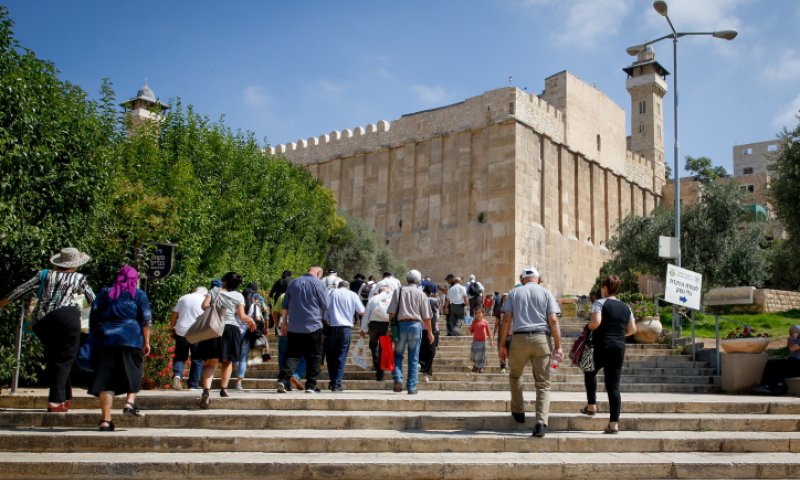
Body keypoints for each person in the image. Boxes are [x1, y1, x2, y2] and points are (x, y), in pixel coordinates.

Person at [0, 247, 96, 412]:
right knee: (65, 359)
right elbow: (92, 299)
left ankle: (64, 397)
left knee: (56, 358)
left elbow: (21, 290)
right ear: (76, 264)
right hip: (68, 318)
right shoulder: (79, 278)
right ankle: (54, 401)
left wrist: (2, 303)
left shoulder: (44, 274)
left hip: (44, 321)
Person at [498, 266, 562, 438]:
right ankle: (541, 422)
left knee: (515, 375)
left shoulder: (513, 293)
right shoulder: (546, 293)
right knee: (543, 383)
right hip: (542, 340)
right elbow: (554, 320)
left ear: (522, 279)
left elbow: (506, 320)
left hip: (519, 339)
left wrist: (502, 345)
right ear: (538, 278)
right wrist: (558, 345)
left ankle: (518, 411)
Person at [88, 265, 151, 431]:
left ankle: (105, 420)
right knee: (135, 371)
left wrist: (95, 335)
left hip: (106, 338)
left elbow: (94, 315)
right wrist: (146, 342)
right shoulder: (138, 295)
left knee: (105, 381)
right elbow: (146, 320)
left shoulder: (104, 293)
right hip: (131, 338)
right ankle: (129, 402)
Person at [579, 274, 636, 434]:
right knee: (613, 386)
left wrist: (588, 327)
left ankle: (591, 405)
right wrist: (618, 335)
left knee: (589, 370)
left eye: (601, 287)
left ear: (605, 288)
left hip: (602, 345)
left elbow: (595, 323)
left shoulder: (599, 303)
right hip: (619, 347)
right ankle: (614, 424)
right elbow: (632, 330)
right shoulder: (627, 307)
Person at [195, 272, 256, 409]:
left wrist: (216, 309)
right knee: (227, 361)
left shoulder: (214, 291)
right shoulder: (239, 296)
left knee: (211, 362)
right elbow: (241, 316)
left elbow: (204, 306)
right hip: (231, 328)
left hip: (215, 328)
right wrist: (251, 321)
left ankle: (206, 391)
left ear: (224, 281)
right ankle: (224, 389)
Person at [277, 265, 328, 393]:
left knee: (292, 355)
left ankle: (283, 380)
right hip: (313, 326)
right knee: (314, 356)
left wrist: (283, 323)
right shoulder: (319, 284)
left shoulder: (293, 283)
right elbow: (325, 305)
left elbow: (285, 305)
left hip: (294, 326)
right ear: (318, 273)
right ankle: (310, 385)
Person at [388, 269, 434, 394]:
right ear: (418, 281)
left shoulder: (399, 291)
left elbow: (391, 313)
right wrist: (430, 333)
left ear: (407, 279)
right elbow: (427, 318)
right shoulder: (421, 294)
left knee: (397, 354)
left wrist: (390, 328)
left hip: (400, 326)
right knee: (413, 358)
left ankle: (397, 378)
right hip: (415, 326)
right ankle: (411, 387)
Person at [325, 280, 365, 391]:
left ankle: (333, 381)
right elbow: (362, 311)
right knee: (341, 356)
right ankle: (337, 384)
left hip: (332, 328)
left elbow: (325, 307)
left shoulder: (331, 293)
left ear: (339, 286)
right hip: (345, 329)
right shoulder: (353, 294)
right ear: (348, 287)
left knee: (330, 356)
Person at [169, 286, 208, 390]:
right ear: (205, 293)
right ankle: (193, 385)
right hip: (197, 331)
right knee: (197, 359)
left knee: (180, 356)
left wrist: (172, 327)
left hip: (181, 330)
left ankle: (177, 375)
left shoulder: (183, 297)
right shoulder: (205, 299)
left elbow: (174, 314)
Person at [754, 325, 800, 395]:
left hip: (797, 364)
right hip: (795, 363)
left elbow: (792, 348)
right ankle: (778, 386)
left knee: (772, 364)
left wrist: (792, 337)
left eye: (791, 332)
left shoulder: (795, 338)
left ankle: (770, 386)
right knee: (777, 366)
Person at [360, 285, 392, 381]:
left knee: (374, 346)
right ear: (388, 291)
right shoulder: (390, 300)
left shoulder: (373, 299)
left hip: (373, 325)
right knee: (383, 348)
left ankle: (376, 365)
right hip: (386, 325)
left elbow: (366, 315)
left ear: (379, 291)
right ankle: (380, 373)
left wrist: (363, 329)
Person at [234, 290, 265, 390]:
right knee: (243, 358)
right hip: (247, 333)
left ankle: (235, 369)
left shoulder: (237, 305)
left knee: (234, 356)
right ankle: (239, 382)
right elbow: (257, 318)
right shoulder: (254, 306)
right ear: (252, 297)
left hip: (235, 332)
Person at [275, 291, 306, 391]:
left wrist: (276, 326)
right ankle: (296, 375)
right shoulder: (303, 295)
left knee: (283, 356)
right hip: (297, 328)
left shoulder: (283, 295)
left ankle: (284, 381)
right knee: (302, 354)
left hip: (283, 327)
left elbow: (275, 312)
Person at [419, 285, 440, 382]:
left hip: (422, 327)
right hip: (434, 328)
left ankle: (422, 366)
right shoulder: (435, 300)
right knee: (432, 350)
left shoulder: (420, 299)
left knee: (422, 349)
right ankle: (426, 372)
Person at [493, 292, 510, 372]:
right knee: (500, 350)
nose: (505, 299)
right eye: (504, 298)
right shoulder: (499, 310)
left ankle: (511, 366)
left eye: (506, 298)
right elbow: (497, 322)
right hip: (501, 333)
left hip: (510, 334)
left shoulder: (512, 309)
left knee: (511, 350)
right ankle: (502, 366)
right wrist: (494, 332)